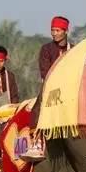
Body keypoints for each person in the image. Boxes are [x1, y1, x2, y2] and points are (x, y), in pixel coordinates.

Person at [24, 16, 73, 161]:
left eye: (57, 30)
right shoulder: (46, 49)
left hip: (70, 87)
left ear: (65, 31)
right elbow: (44, 72)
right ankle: (36, 143)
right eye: (53, 30)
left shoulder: (74, 49)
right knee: (38, 108)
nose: (54, 33)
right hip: (51, 87)